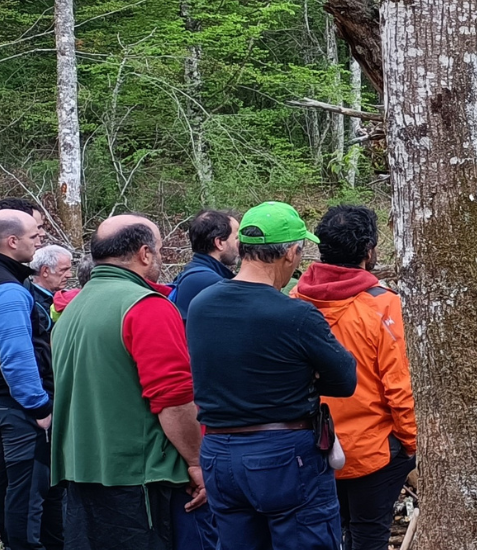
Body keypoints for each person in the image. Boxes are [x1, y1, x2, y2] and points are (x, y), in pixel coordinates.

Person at [188, 202, 357, 550]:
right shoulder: (296, 315)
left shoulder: (201, 304)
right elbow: (344, 380)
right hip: (283, 452)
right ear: (291, 253)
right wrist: (301, 378)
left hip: (219, 453)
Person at [51, 214, 207, 549]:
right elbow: (173, 398)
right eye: (160, 249)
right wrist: (197, 462)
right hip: (141, 480)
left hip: (80, 473)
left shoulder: (72, 308)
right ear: (145, 253)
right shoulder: (147, 307)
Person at [290, 205, 416, 550]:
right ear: (369, 251)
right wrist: (411, 443)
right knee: (369, 535)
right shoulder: (383, 305)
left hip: (312, 446)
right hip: (372, 449)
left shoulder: (293, 301)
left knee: (328, 532)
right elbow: (398, 385)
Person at [0, 210, 59, 550]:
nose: (40, 238)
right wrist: (39, 406)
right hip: (15, 405)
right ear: (12, 241)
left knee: (10, 481)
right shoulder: (6, 289)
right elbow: (15, 356)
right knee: (27, 491)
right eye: (34, 235)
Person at [170, 210, 238, 316]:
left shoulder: (193, 273)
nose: (240, 244)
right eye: (236, 238)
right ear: (219, 242)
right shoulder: (209, 282)